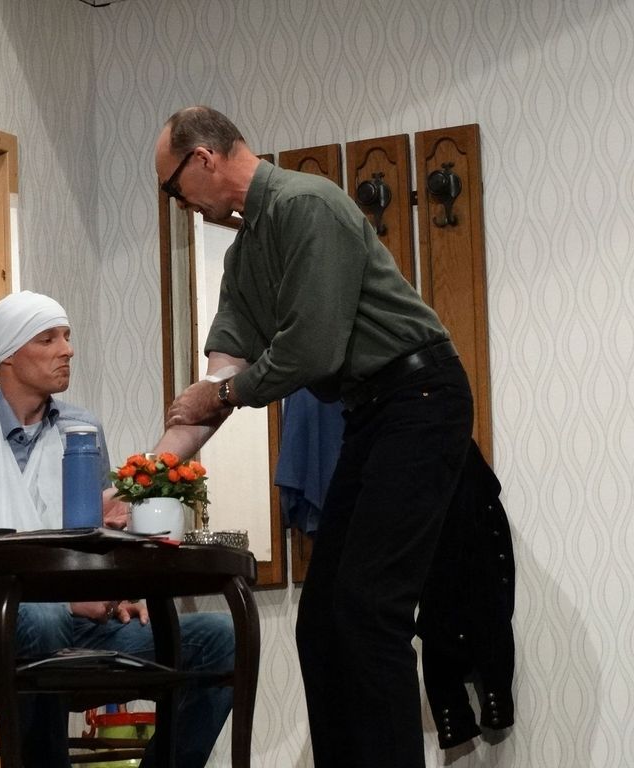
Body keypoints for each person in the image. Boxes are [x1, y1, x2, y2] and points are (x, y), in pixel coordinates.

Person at [152, 106, 474, 768]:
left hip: (420, 399)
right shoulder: (244, 253)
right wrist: (138, 481)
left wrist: (224, 395)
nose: (179, 203)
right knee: (322, 619)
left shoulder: (307, 204)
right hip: (373, 414)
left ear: (203, 159)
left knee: (369, 610)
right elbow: (220, 378)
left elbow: (311, 351)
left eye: (173, 187)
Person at [0, 290, 234, 768]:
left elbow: (93, 543)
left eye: (67, 336)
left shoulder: (81, 428)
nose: (67, 350)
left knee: (219, 636)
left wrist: (115, 592)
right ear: (7, 356)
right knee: (42, 619)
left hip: (79, 628)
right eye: (48, 339)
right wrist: (61, 602)